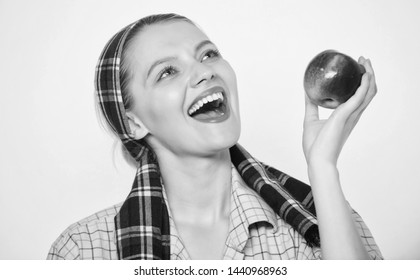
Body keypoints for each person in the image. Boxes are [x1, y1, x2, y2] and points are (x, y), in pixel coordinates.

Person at [47, 13, 382, 260]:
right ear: (133, 122)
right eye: (168, 71)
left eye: (208, 54)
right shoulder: (81, 250)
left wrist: (323, 167)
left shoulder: (325, 216)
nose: (205, 71)